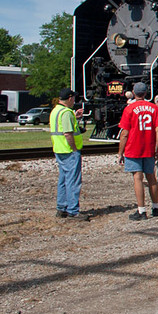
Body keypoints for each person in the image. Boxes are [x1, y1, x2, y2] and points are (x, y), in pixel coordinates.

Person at [118, 82, 158, 221]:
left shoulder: (129, 109)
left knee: (137, 178)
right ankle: (156, 207)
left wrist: (120, 152)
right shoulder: (154, 108)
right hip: (149, 147)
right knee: (151, 177)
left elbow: (124, 133)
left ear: (134, 92)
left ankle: (141, 210)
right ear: (146, 93)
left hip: (133, 147)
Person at [50, 88, 89, 221]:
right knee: (73, 181)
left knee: (63, 180)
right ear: (70, 98)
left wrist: (75, 117)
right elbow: (67, 133)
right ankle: (73, 211)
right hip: (69, 151)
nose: (75, 101)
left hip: (59, 149)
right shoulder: (66, 113)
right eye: (74, 98)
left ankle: (62, 208)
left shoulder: (56, 110)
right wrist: (74, 149)